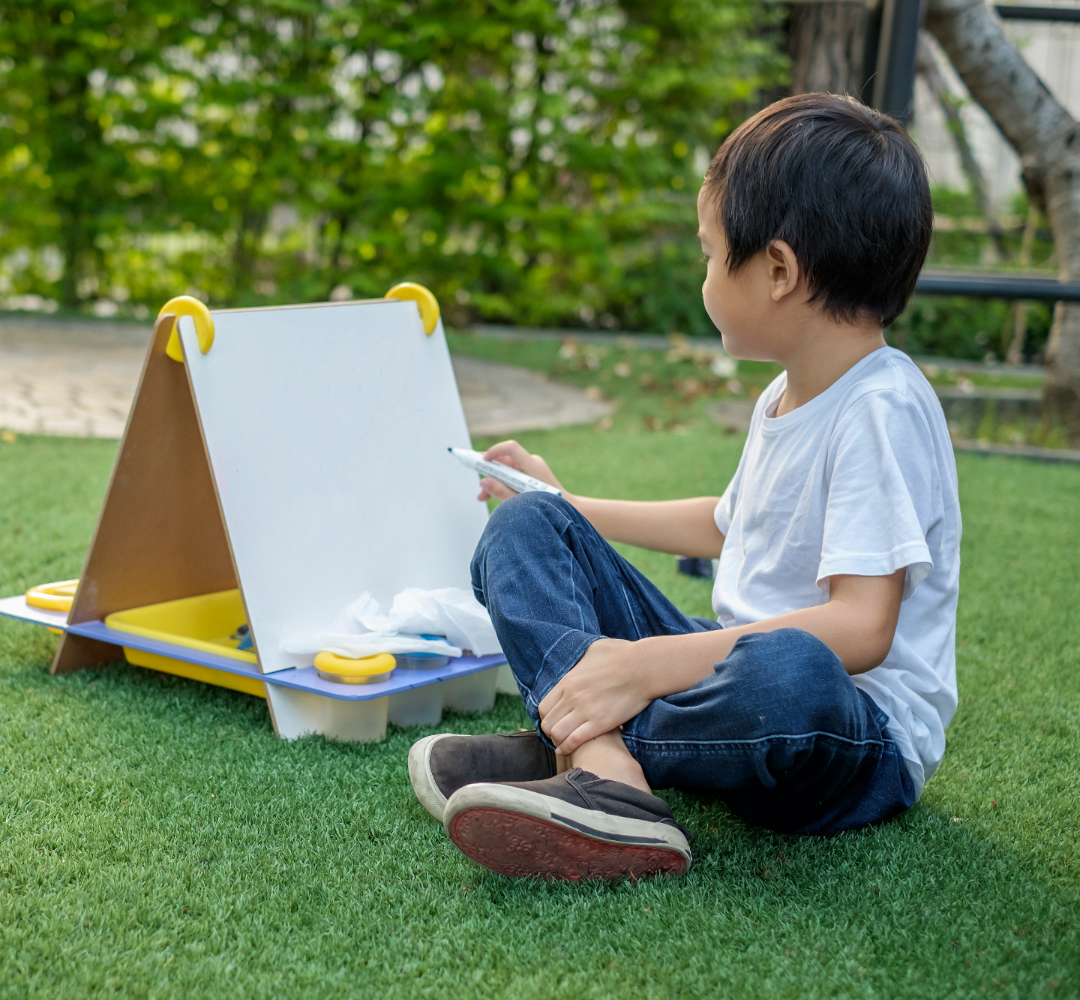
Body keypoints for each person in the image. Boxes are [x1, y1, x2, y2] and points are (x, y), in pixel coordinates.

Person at [408, 93, 960, 882]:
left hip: (848, 736)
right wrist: (566, 507)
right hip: (732, 677)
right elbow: (730, 524)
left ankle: (584, 740)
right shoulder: (786, 392)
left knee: (790, 669)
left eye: (709, 253)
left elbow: (862, 628)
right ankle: (603, 764)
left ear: (777, 270)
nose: (704, 275)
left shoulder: (882, 408)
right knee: (525, 529)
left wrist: (646, 668)